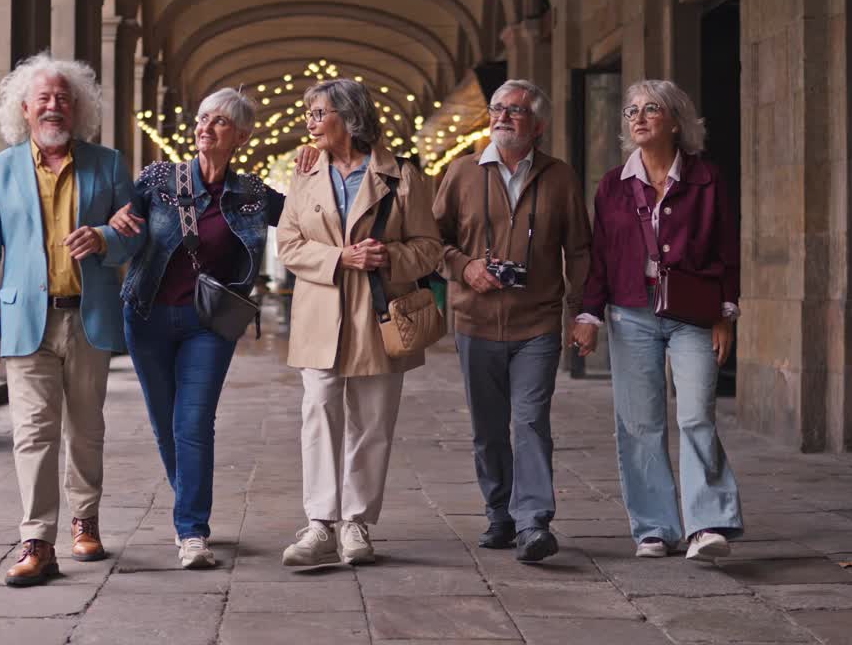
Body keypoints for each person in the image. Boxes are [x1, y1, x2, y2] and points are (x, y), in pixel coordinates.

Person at [0, 52, 140, 586]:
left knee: (86, 429)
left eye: (63, 98)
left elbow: (137, 237)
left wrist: (106, 237)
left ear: (78, 108)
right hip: (26, 323)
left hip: (87, 318)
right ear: (24, 109)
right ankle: (37, 539)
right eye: (43, 98)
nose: (53, 106)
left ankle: (85, 520)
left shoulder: (108, 164)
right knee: (34, 433)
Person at [107, 88, 284, 569]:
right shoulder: (160, 177)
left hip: (210, 323)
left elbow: (307, 215)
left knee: (193, 423)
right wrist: (118, 218)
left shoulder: (252, 194)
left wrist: (317, 164)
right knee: (166, 426)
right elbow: (119, 216)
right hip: (147, 316)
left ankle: (191, 531)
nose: (206, 127)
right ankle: (189, 500)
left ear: (241, 137)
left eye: (220, 121)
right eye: (203, 117)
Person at [571, 79, 743, 562]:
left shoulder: (706, 179)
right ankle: (654, 528)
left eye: (650, 109)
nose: (638, 118)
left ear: (674, 120)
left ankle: (707, 525)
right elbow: (601, 257)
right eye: (630, 112)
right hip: (631, 312)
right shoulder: (612, 185)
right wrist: (589, 312)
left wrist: (726, 313)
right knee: (639, 423)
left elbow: (727, 250)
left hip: (694, 313)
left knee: (695, 415)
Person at [276, 78, 442, 566]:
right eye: (308, 113)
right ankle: (319, 524)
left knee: (371, 423)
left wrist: (387, 255)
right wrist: (339, 258)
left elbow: (430, 248)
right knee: (319, 413)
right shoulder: (304, 174)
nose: (309, 122)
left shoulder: (403, 175)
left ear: (349, 118)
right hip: (320, 313)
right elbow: (288, 245)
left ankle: (356, 524)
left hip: (379, 315)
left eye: (318, 112)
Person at [432, 79, 591, 563]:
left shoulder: (560, 178)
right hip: (474, 322)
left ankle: (533, 522)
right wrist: (465, 267)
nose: (502, 116)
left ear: (537, 125)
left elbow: (580, 250)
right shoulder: (461, 173)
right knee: (487, 428)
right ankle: (499, 512)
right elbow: (430, 243)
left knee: (529, 422)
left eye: (515, 110)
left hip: (537, 323)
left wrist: (580, 314)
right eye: (497, 109)